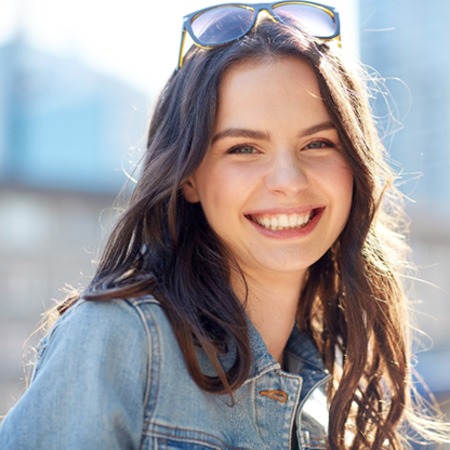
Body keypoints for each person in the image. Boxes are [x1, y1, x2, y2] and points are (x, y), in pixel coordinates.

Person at [0, 2, 449, 449]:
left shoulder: (329, 391)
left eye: (317, 143)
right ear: (189, 176)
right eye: (244, 149)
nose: (289, 182)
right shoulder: (122, 338)